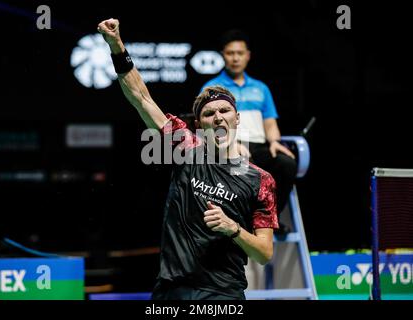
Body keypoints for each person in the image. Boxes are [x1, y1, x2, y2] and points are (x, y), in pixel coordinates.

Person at [97, 18, 278, 300]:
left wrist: (233, 229)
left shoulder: (260, 180)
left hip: (223, 294)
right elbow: (141, 98)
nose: (217, 116)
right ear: (199, 125)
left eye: (224, 110)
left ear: (237, 118)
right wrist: (117, 46)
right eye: (208, 113)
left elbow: (264, 253)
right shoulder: (186, 148)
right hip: (171, 290)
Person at [201, 29, 297, 226]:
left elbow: (270, 123)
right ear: (223, 56)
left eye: (240, 53)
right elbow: (207, 126)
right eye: (230, 53)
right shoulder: (211, 88)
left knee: (286, 163)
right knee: (240, 164)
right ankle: (241, 221)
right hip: (226, 148)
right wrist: (231, 145)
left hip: (259, 147)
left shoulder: (261, 88)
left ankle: (270, 219)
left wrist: (275, 142)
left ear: (248, 56)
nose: (235, 58)